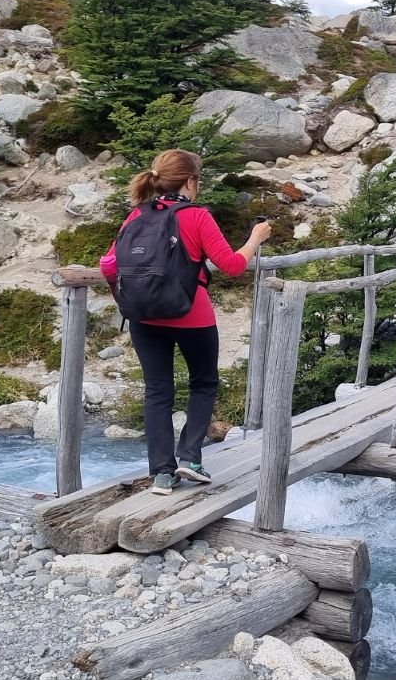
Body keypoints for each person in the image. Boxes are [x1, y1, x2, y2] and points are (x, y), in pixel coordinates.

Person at [100, 150, 271, 494]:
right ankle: (191, 459)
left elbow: (107, 265)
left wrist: (131, 301)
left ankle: (162, 474)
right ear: (191, 181)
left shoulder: (136, 215)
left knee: (158, 391)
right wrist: (255, 239)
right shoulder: (197, 216)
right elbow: (232, 266)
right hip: (191, 314)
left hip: (144, 319)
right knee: (204, 383)